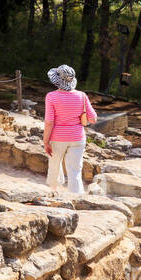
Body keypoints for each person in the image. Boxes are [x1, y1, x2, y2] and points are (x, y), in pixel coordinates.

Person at [43, 64, 95, 195]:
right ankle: (76, 198)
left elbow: (49, 122)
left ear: (57, 81)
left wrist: (45, 142)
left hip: (57, 138)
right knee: (75, 170)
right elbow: (93, 118)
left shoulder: (51, 96)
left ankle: (53, 192)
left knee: (54, 164)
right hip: (78, 138)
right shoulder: (82, 96)